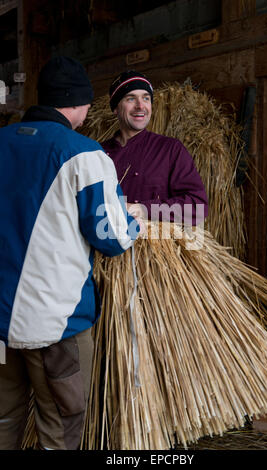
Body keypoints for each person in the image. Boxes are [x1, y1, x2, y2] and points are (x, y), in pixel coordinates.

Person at [0, 56, 140, 450]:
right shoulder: (84, 155)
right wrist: (135, 222)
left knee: (3, 418)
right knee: (59, 427)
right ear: (79, 104)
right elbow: (110, 237)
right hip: (55, 326)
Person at [102, 70, 208, 227]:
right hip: (105, 247)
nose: (140, 106)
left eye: (146, 98)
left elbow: (197, 207)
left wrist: (140, 209)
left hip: (154, 246)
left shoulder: (170, 150)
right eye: (131, 98)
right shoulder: (98, 153)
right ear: (116, 107)